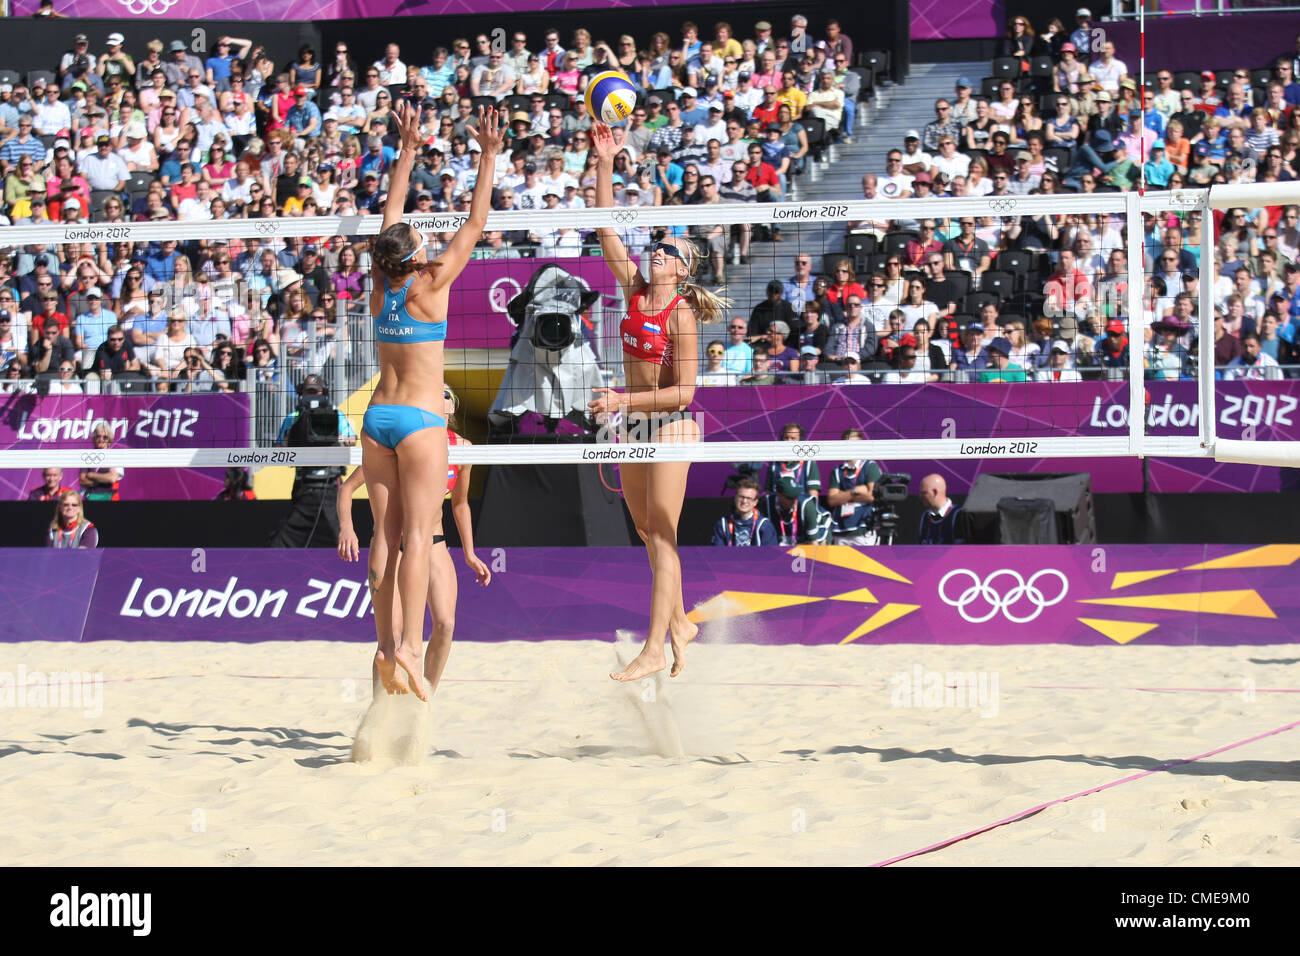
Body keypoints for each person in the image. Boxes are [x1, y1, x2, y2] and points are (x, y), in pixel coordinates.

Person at [360, 101, 502, 701]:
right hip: (420, 422)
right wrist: (488, 157)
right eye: (422, 235)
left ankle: (386, 649)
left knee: (384, 545)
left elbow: (391, 218)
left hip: (376, 419)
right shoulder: (433, 281)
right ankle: (412, 654)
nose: (427, 230)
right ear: (415, 256)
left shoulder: (379, 282)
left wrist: (408, 150)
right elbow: (475, 220)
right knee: (419, 540)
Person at [588, 119, 727, 683]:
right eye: (655, 246)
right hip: (637, 426)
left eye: (666, 250)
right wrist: (604, 163)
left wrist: (622, 398)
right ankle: (682, 625)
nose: (655, 251)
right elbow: (604, 232)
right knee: (647, 530)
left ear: (683, 267)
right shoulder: (635, 293)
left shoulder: (684, 314)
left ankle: (653, 648)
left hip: (670, 423)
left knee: (663, 534)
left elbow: (688, 391)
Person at [339, 385, 491, 698]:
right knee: (390, 640)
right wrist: (347, 527)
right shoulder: (402, 444)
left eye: (447, 394)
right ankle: (380, 709)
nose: (441, 395)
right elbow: (347, 488)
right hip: (397, 545)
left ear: (451, 408)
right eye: (438, 391)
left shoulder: (462, 447)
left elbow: (460, 504)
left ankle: (425, 699)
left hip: (434, 543)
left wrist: (470, 553)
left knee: (446, 624)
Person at [826, 429, 881, 545]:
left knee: (865, 563)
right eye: (846, 444)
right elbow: (832, 500)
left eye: (853, 444)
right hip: (840, 529)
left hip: (863, 528)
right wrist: (855, 491)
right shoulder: (837, 471)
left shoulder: (870, 466)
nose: (850, 447)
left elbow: (872, 496)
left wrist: (842, 495)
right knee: (839, 563)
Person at [760, 475, 832, 546]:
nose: (795, 501)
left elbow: (814, 542)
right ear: (779, 495)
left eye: (796, 496)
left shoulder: (807, 506)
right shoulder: (767, 503)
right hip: (788, 538)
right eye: (790, 497)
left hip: (818, 532)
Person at [710, 478, 776, 546]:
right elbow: (717, 553)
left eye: (749, 498)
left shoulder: (765, 526)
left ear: (755, 502)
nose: (744, 501)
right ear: (735, 498)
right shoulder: (723, 524)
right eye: (741, 497)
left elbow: (771, 555)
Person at [918, 474, 962, 544]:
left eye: (924, 493)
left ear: (935, 492)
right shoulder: (925, 517)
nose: (920, 496)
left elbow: (961, 551)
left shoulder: (958, 515)